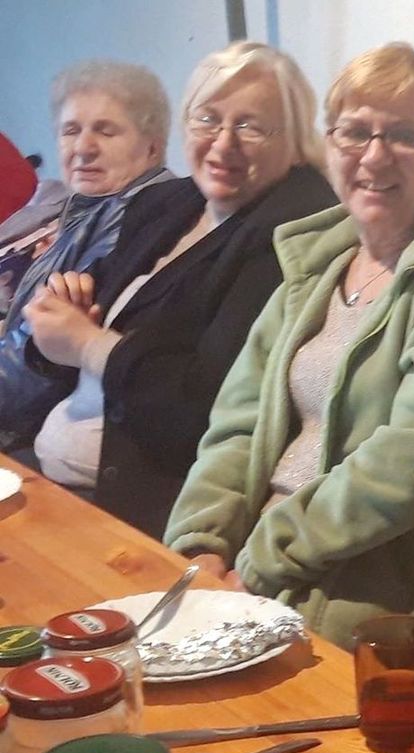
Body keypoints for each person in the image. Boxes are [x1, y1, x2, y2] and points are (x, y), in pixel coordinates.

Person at [164, 42, 414, 647]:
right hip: (259, 574)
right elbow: (238, 424)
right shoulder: (319, 266)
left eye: (404, 135)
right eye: (354, 132)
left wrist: (262, 559)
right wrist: (200, 547)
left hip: (365, 608)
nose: (374, 155)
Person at [21, 42, 335, 536]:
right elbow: (70, 335)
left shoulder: (289, 237)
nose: (223, 144)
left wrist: (86, 344)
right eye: (207, 119)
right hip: (48, 471)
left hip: (137, 514)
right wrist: (58, 313)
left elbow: (202, 412)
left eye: (250, 126)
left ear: (294, 141)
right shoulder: (169, 203)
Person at [0, 60, 174, 448]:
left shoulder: (136, 217)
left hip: (37, 435)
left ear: (152, 146)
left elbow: (32, 362)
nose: (83, 148)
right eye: (71, 131)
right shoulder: (90, 206)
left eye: (105, 131)